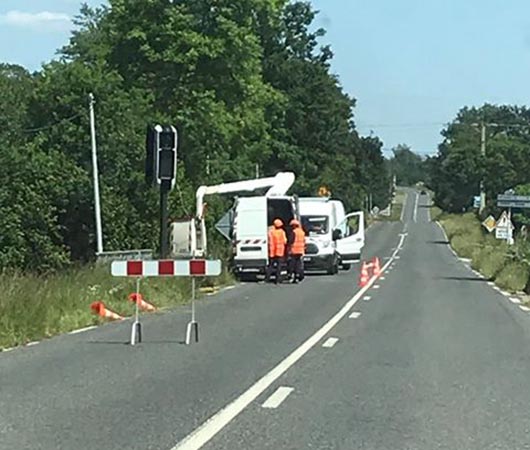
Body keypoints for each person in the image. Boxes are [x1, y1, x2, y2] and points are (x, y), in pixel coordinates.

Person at [266, 218, 287, 284]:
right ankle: (277, 280)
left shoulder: (271, 232)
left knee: (271, 266)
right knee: (279, 266)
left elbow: (269, 240)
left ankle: (267, 278)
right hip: (280, 252)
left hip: (272, 252)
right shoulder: (282, 232)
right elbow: (285, 241)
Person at [288, 219, 306, 283]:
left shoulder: (294, 232)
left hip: (294, 251)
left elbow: (291, 242)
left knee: (293, 265)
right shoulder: (302, 232)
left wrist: (288, 250)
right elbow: (304, 241)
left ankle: (294, 276)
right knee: (299, 265)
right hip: (300, 251)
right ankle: (299, 276)